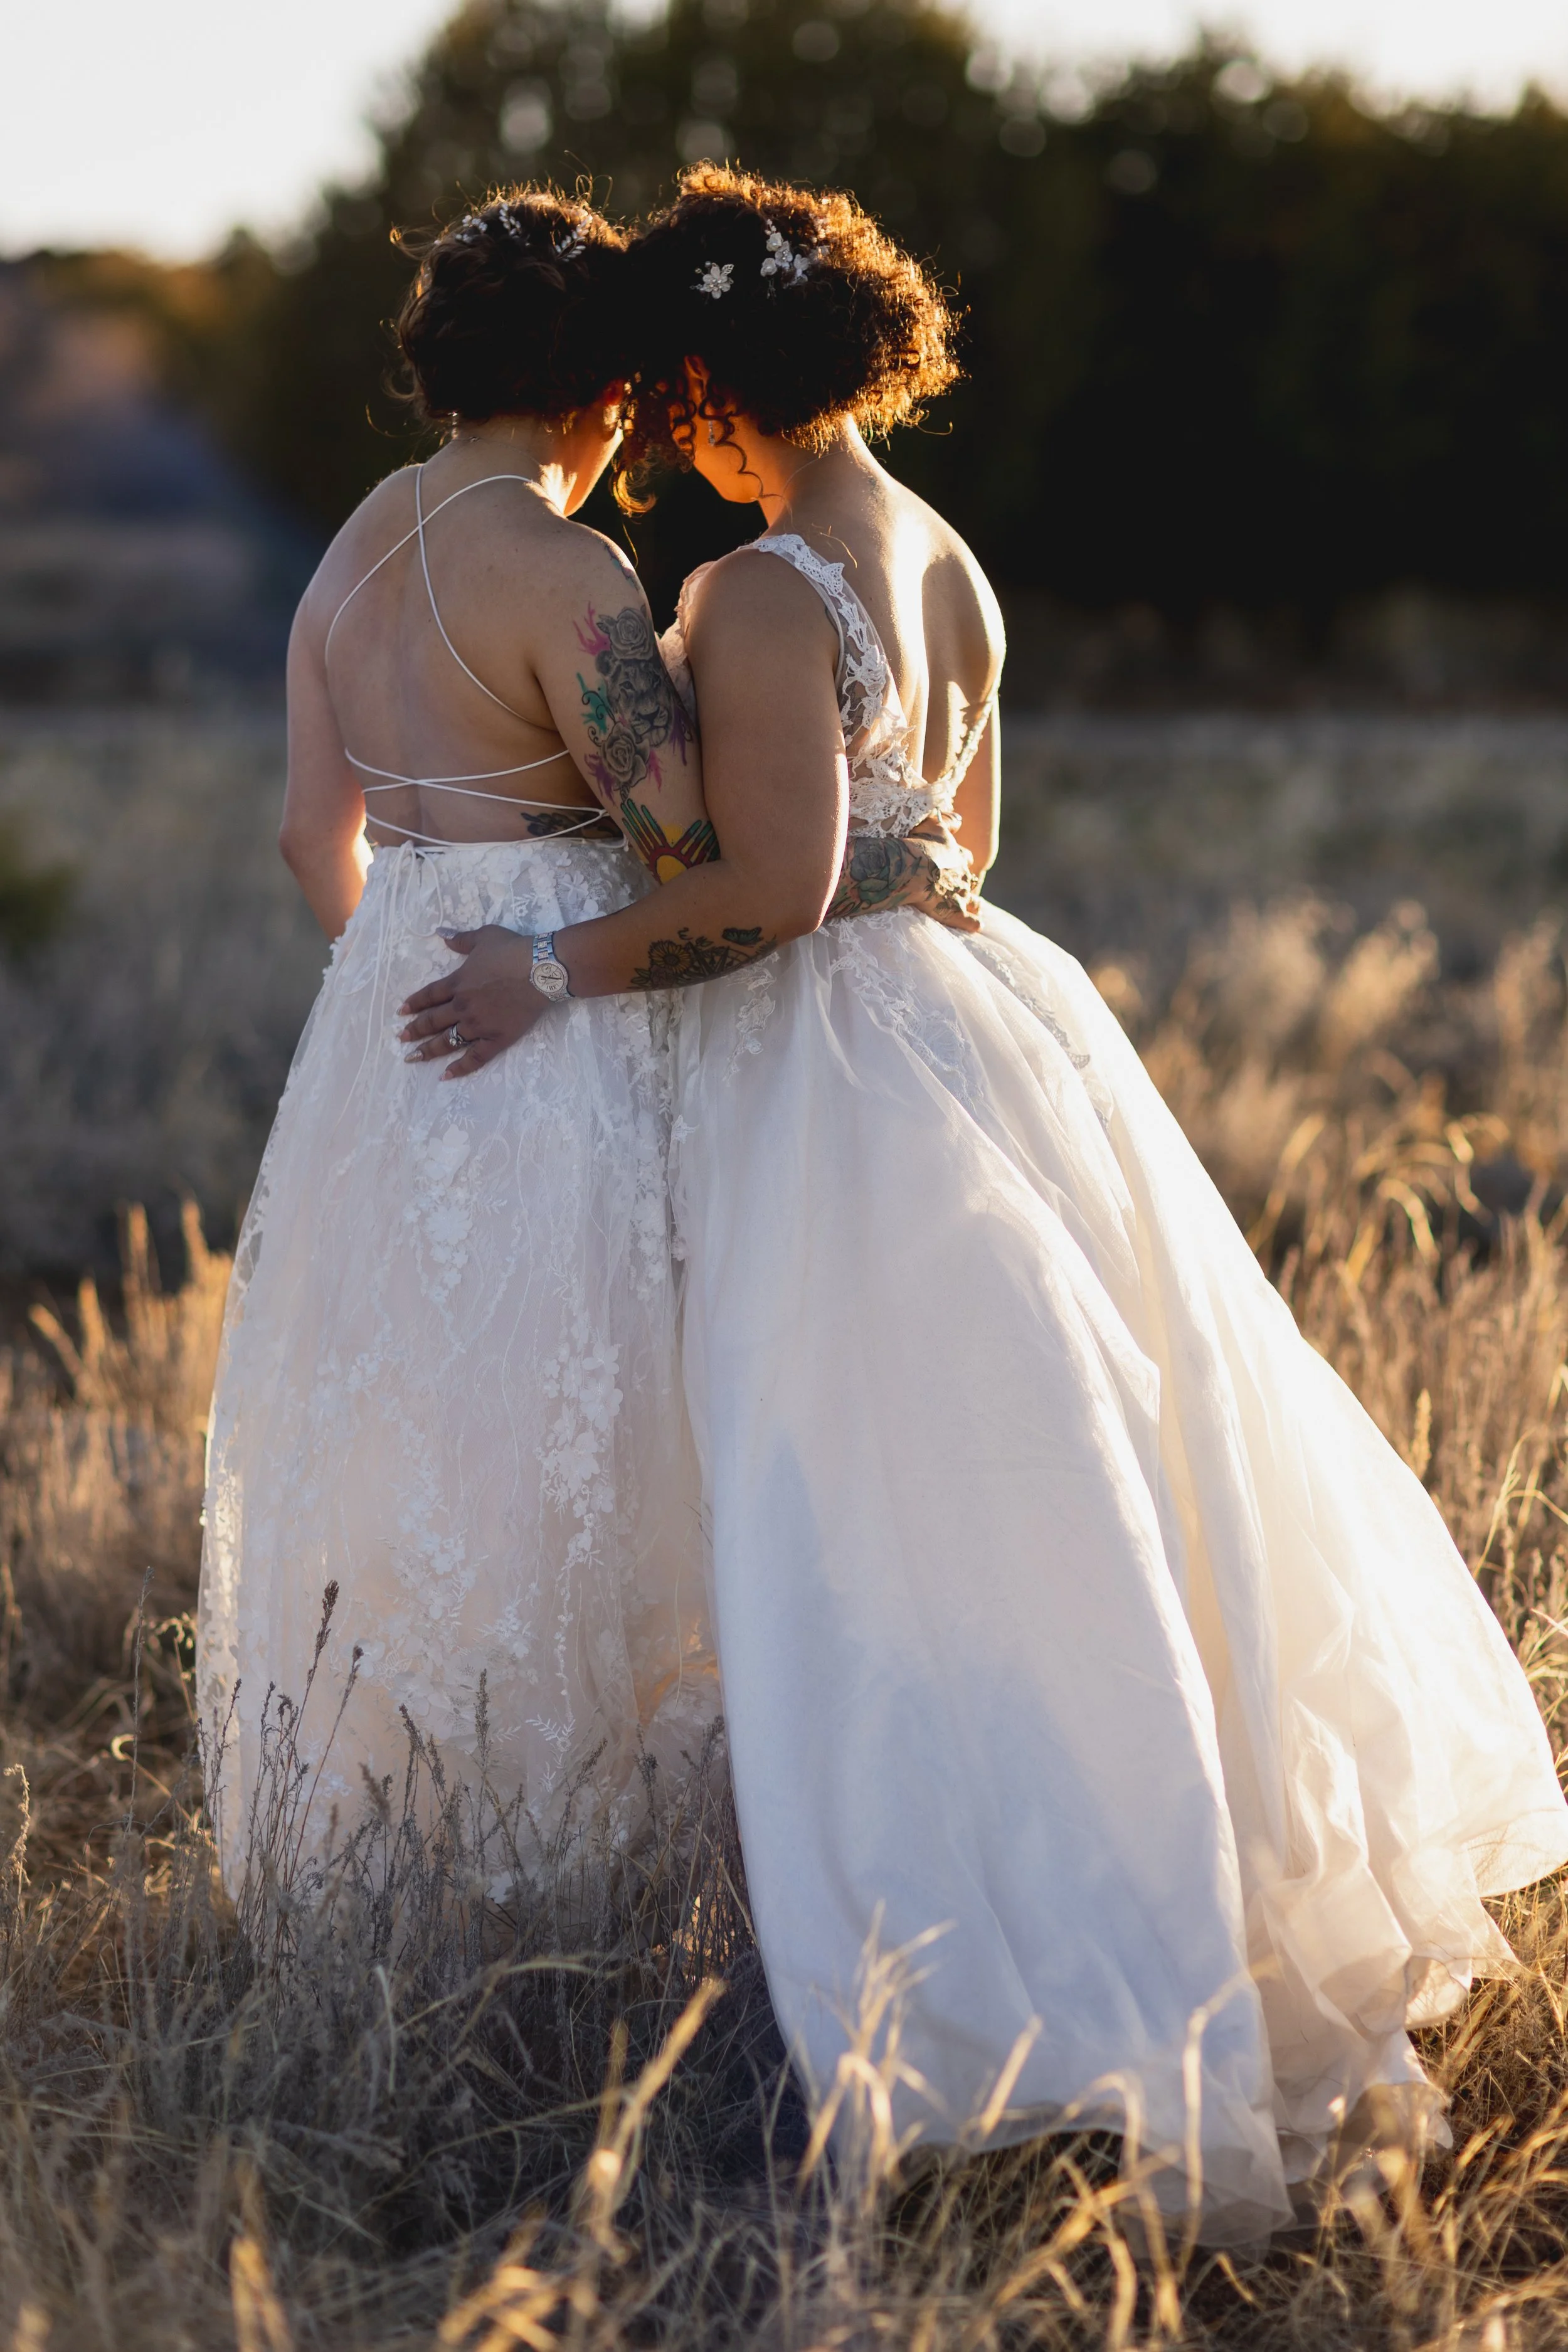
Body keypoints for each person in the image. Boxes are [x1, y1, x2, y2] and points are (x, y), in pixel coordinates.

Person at [397, 169, 1568, 2239]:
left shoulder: (759, 594)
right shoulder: (945, 555)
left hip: (836, 1073)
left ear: (696, 382)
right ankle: (1140, 1947)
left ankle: (959, 2010)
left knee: (870, 1522)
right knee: (1070, 1502)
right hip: (992, 1026)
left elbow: (764, 895)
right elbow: (960, 838)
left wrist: (548, 965)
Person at [196, 186, 972, 1883]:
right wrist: (883, 849)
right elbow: (701, 858)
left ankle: (371, 1844)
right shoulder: (567, 574)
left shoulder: (351, 543)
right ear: (598, 390)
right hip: (556, 1023)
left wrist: (404, 971)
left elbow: (305, 837)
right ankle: (572, 1857)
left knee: (408, 1435)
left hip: (390, 1032)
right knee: (590, 1446)